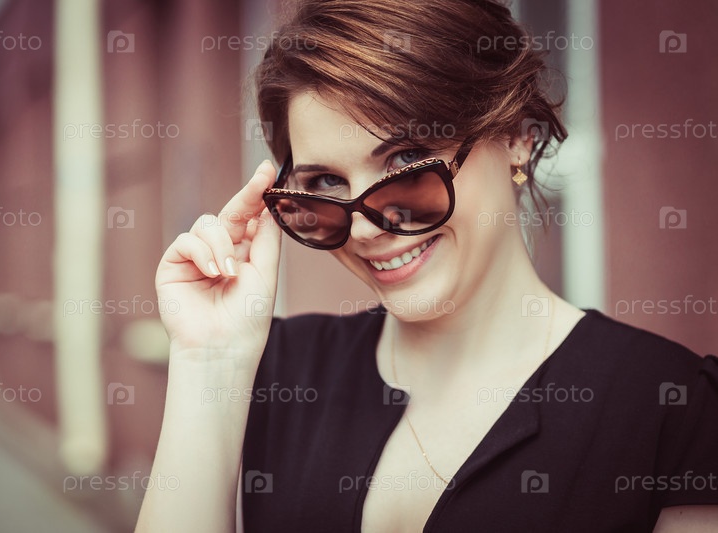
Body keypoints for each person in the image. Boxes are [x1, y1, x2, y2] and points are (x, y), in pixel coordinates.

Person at [136, 0, 718, 531]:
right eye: (326, 183)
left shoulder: (668, 407)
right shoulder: (282, 370)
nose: (364, 228)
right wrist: (210, 363)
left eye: (407, 161)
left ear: (517, 136)